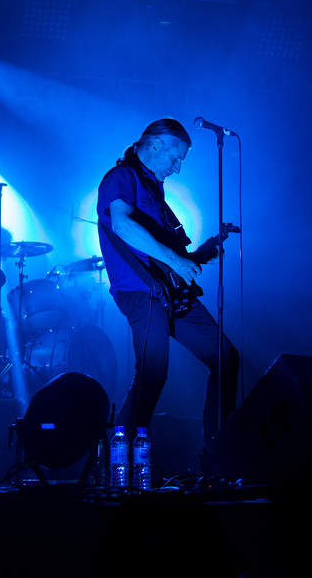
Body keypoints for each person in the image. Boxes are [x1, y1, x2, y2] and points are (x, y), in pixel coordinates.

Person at [96, 118, 239, 457]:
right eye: (176, 158)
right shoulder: (122, 177)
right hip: (141, 292)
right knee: (152, 374)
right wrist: (176, 261)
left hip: (170, 293)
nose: (177, 168)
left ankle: (217, 452)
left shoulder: (155, 191)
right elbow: (122, 225)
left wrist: (203, 252)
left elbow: (167, 258)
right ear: (156, 144)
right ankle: (119, 462)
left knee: (225, 358)